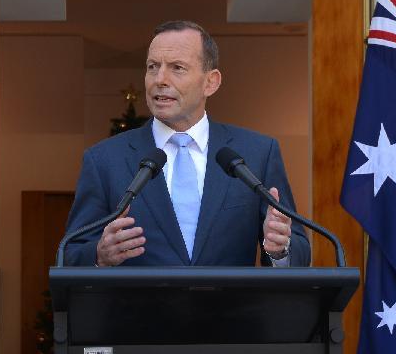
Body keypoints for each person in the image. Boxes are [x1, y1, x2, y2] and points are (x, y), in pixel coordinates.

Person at [63, 20, 310, 267]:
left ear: (210, 82)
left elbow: (299, 250)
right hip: (139, 306)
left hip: (230, 306)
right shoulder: (104, 160)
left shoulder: (257, 153)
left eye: (177, 68)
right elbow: (70, 254)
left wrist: (280, 250)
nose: (160, 79)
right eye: (152, 67)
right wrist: (98, 255)